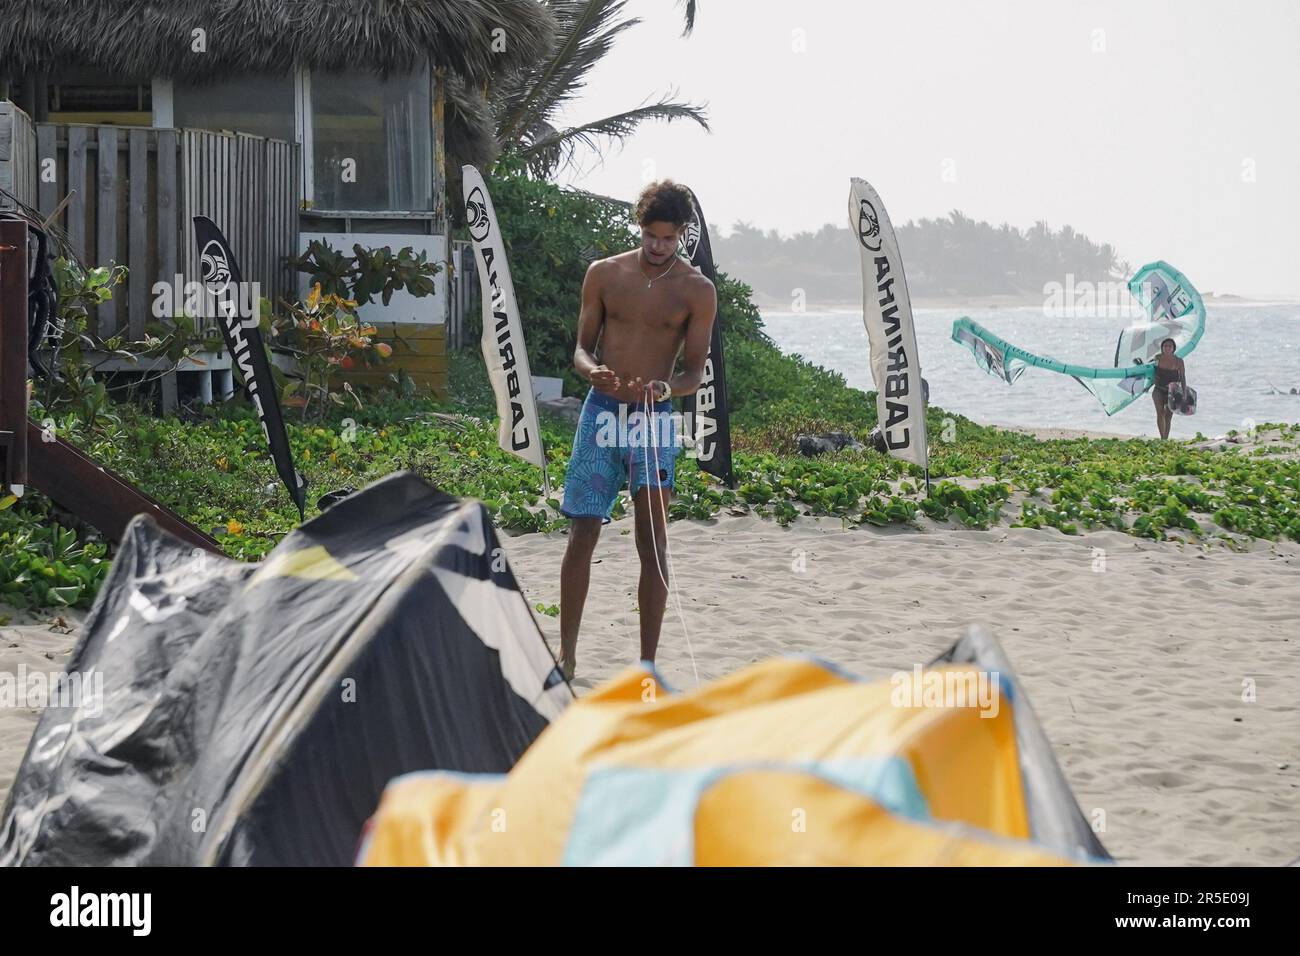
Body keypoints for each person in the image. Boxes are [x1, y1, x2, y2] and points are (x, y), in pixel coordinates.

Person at [557, 180, 717, 680]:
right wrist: (590, 371)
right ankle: (568, 655)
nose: (658, 247)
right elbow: (581, 349)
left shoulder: (697, 290)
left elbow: (693, 371)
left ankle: (647, 666)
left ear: (683, 235)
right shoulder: (604, 274)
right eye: (651, 236)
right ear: (640, 227)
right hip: (602, 410)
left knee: (652, 542)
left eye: (669, 239)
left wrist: (668, 390)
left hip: (654, 421)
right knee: (583, 531)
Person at [1152, 337, 1186, 440]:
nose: (1167, 348)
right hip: (1158, 389)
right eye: (1165, 346)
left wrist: (1184, 392)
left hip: (1172, 392)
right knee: (1160, 413)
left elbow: (1183, 377)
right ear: (1162, 348)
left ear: (1173, 348)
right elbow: (1150, 371)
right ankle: (1162, 438)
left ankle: (1165, 439)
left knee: (1168, 416)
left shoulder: (1179, 361)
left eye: (1169, 346)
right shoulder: (1157, 358)